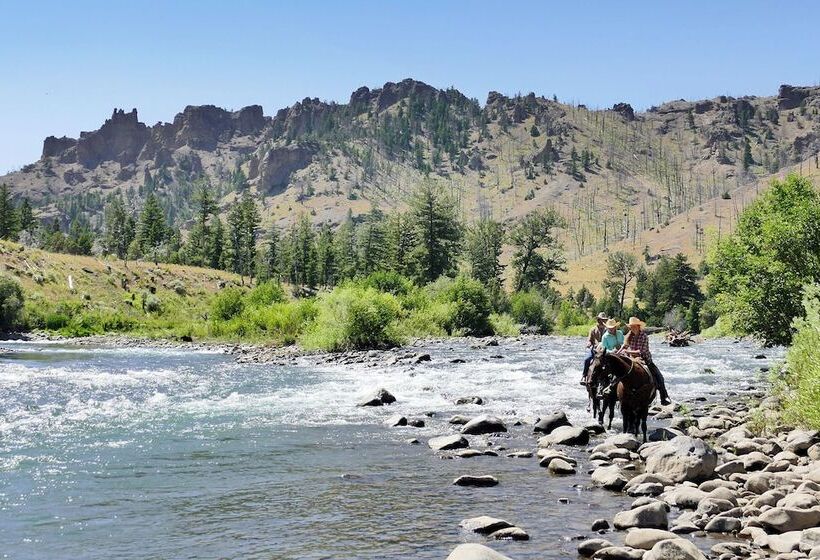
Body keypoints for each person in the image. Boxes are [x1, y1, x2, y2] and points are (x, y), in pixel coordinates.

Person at [620, 316, 671, 405]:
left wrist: (627, 351)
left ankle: (663, 397)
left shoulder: (644, 336)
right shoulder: (628, 336)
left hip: (645, 359)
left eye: (634, 326)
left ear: (638, 326)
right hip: (631, 359)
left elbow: (641, 351)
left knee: (659, 377)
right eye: (631, 327)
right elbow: (624, 346)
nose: (633, 328)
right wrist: (618, 352)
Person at [580, 312, 608, 384]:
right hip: (595, 350)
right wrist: (589, 344)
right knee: (587, 359)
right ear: (598, 320)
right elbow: (589, 340)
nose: (602, 322)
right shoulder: (593, 330)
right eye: (601, 320)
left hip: (605, 350)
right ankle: (584, 375)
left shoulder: (608, 330)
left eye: (604, 320)